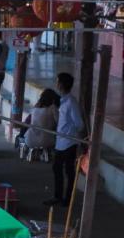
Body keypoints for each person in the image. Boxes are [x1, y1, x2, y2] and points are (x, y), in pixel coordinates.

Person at [50, 72, 84, 206]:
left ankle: (68, 200)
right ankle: (57, 196)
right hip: (60, 142)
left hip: (69, 142)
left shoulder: (71, 102)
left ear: (62, 84)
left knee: (69, 171)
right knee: (56, 168)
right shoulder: (63, 101)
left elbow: (79, 124)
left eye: (58, 81)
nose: (56, 84)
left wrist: (71, 132)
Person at [27, 87, 59, 153]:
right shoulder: (53, 108)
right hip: (45, 141)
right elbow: (59, 123)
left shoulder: (35, 107)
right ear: (53, 99)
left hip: (29, 139)